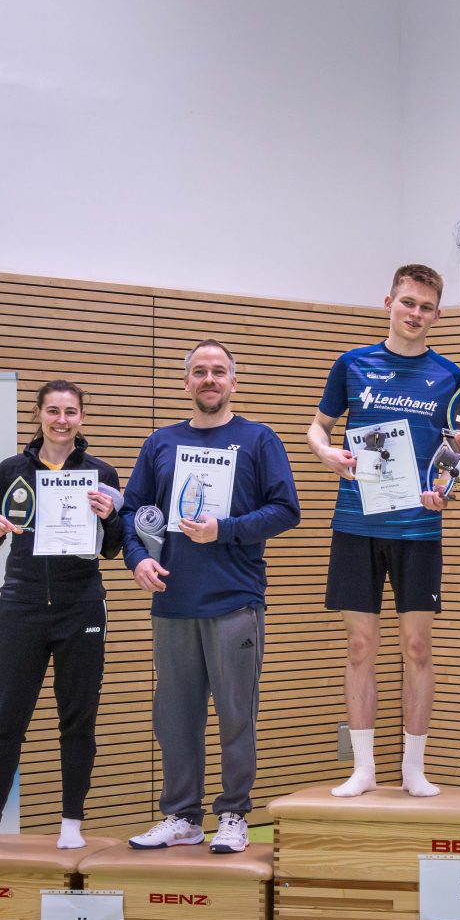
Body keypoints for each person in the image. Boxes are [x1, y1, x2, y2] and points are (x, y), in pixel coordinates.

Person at [121, 341, 300, 853]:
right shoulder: (160, 443)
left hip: (234, 601)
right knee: (174, 718)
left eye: (219, 371)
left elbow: (285, 509)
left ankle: (234, 814)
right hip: (173, 601)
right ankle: (182, 816)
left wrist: (224, 529)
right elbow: (133, 511)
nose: (209, 379)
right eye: (199, 371)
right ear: (186, 382)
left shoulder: (258, 439)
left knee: (236, 715)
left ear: (233, 382)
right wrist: (138, 559)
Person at [306, 264, 460, 799]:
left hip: (419, 529)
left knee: (417, 647)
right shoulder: (352, 364)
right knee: (360, 646)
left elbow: (455, 453)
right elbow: (317, 427)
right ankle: (364, 769)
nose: (415, 313)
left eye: (425, 307)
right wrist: (327, 453)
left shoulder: (450, 377)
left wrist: (445, 489)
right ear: (388, 303)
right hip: (357, 524)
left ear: (437, 314)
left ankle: (414, 769)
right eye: (407, 302)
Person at [0, 381, 123, 852]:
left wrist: (109, 516)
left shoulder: (100, 473)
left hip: (80, 607)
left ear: (82, 417)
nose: (61, 420)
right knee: (6, 721)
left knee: (78, 721)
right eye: (53, 411)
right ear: (38, 414)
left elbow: (112, 548)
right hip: (21, 606)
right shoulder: (12, 469)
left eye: (70, 411)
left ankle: (71, 823)